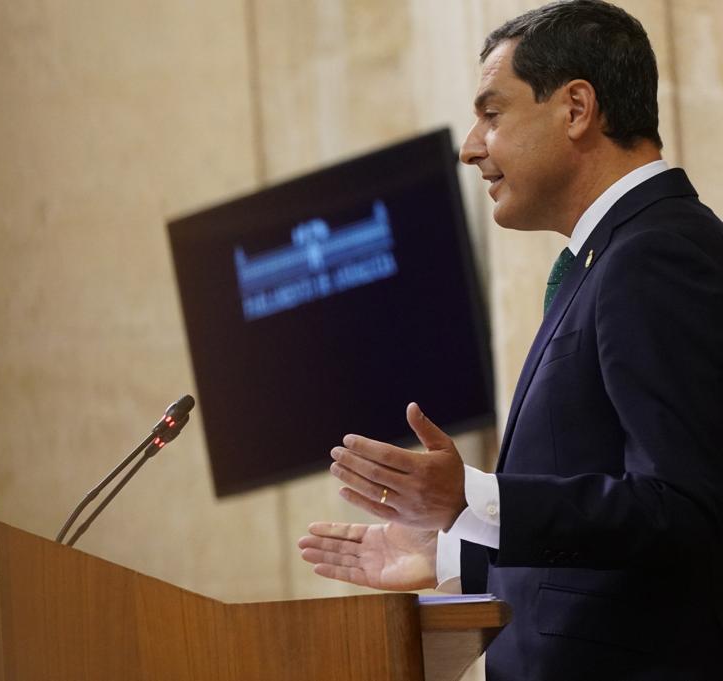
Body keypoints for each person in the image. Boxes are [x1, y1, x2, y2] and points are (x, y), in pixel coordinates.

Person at [297, 1, 723, 679]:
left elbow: (686, 508)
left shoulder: (657, 253)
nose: (470, 146)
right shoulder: (614, 258)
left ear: (577, 108)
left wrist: (472, 496)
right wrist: (453, 550)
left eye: (492, 115)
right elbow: (615, 522)